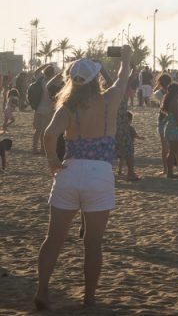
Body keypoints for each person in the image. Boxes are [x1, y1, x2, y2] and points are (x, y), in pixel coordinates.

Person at [36, 46, 131, 310]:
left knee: (53, 238)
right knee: (92, 242)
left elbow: (49, 135)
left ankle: (42, 289)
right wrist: (125, 58)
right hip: (99, 173)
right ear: (95, 78)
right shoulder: (109, 100)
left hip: (69, 171)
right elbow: (124, 78)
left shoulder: (66, 107)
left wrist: (52, 161)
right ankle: (89, 297)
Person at [115, 68, 140, 181]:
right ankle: (130, 172)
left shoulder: (109, 94)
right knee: (128, 149)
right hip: (122, 126)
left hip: (111, 126)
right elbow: (127, 83)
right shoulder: (119, 94)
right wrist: (131, 75)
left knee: (112, 150)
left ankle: (122, 173)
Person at [31, 65, 57, 155]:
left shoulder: (41, 80)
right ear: (53, 73)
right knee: (45, 130)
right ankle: (42, 149)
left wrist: (44, 66)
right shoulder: (55, 82)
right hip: (50, 110)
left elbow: (36, 72)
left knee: (38, 130)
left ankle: (34, 148)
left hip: (40, 109)